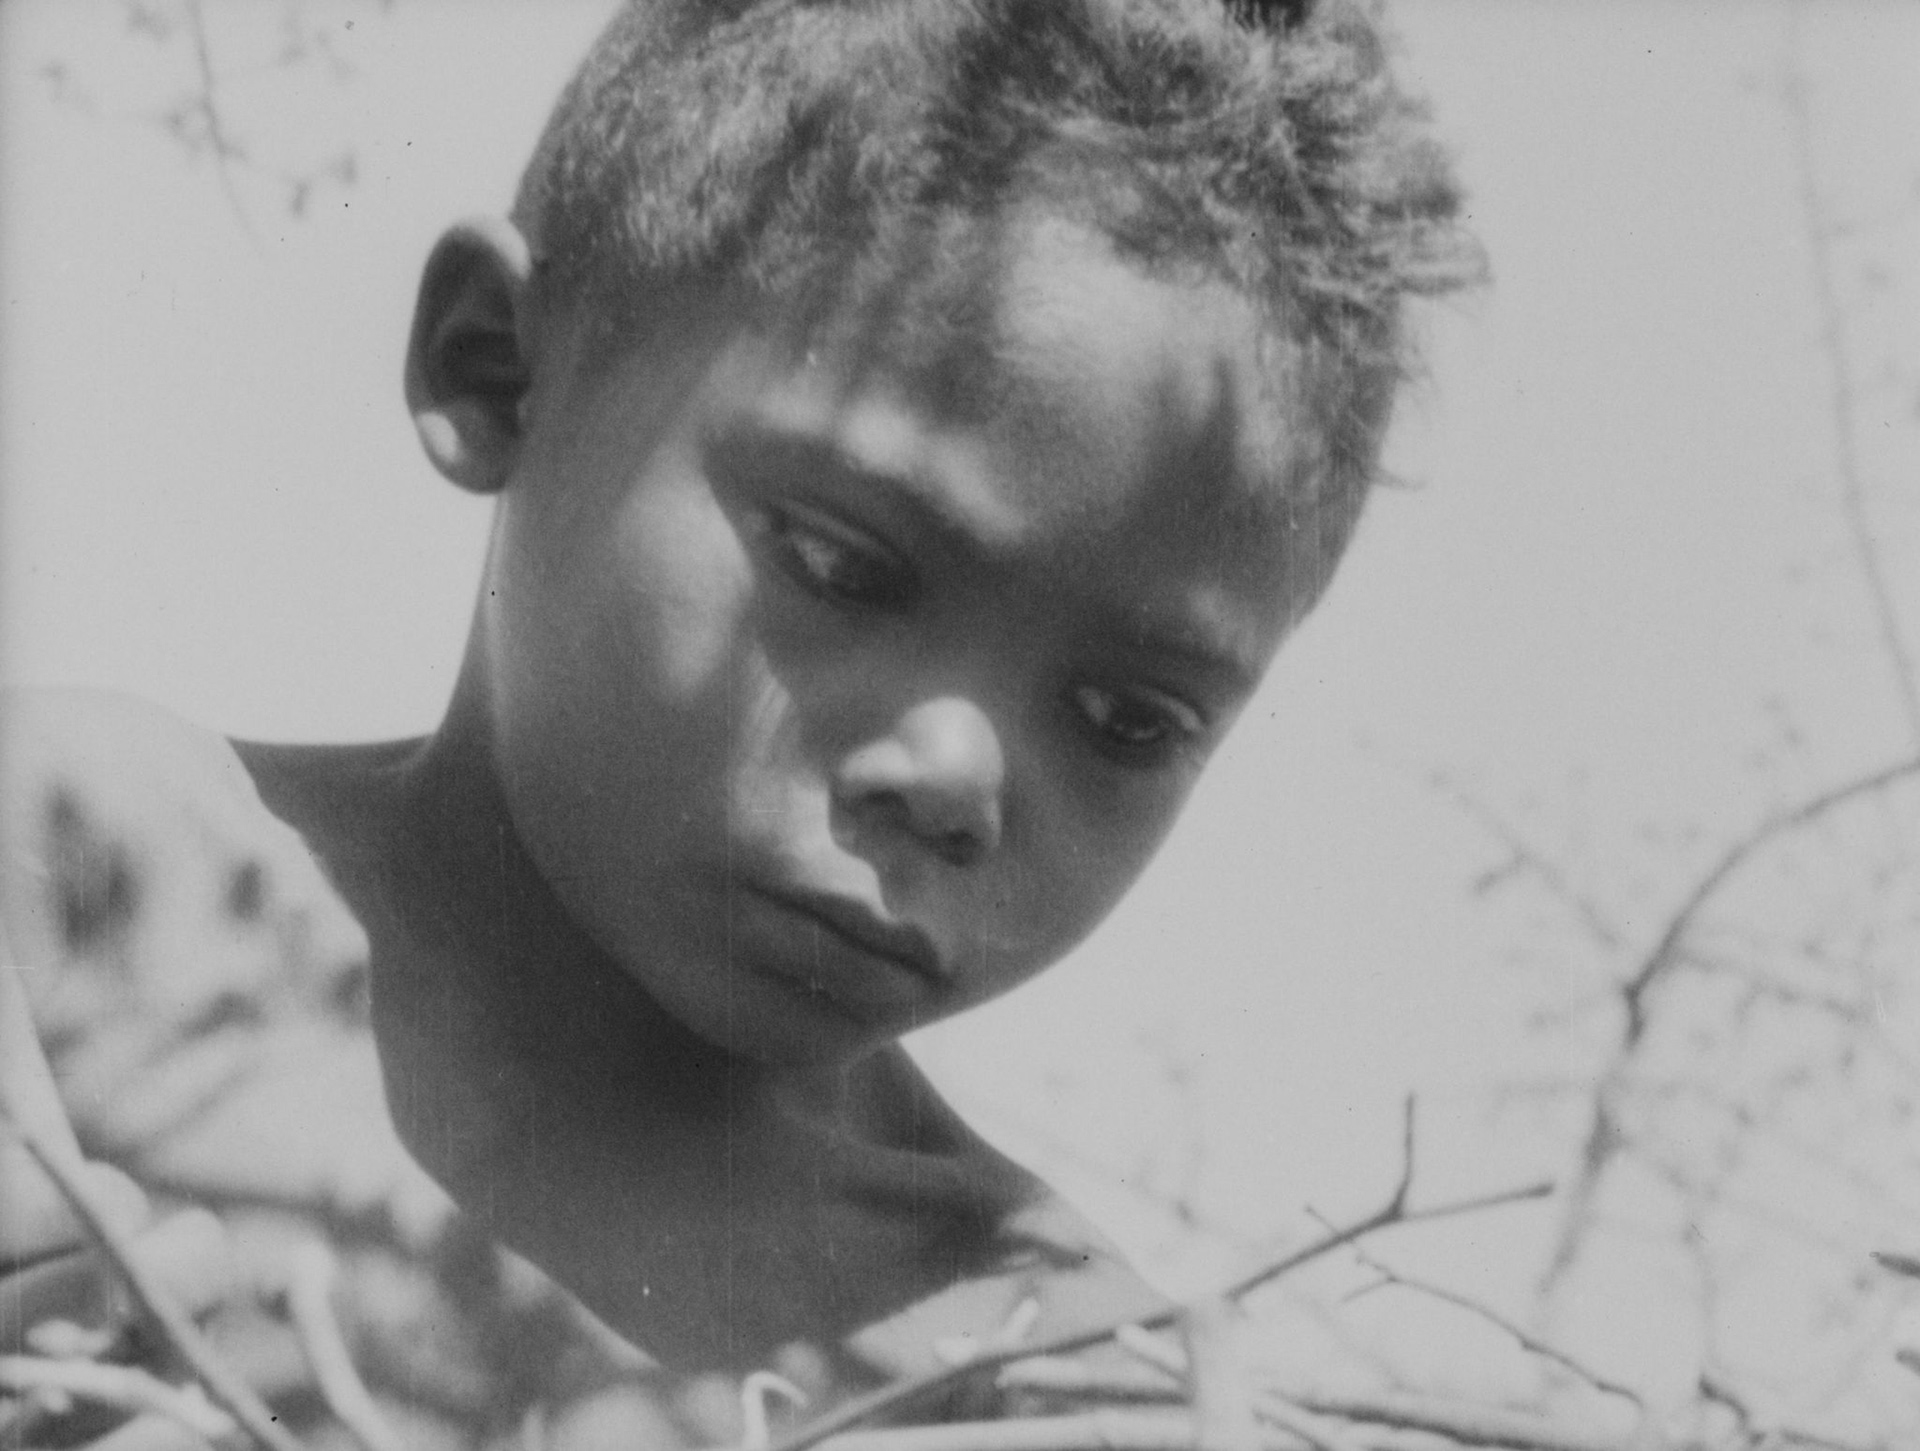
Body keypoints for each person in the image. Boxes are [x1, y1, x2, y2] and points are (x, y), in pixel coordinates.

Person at [1, 0, 1481, 1443]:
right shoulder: (70, 875)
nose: (953, 777)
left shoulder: (1051, 1372)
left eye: (1128, 720)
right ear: (496, 367)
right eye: (844, 565)